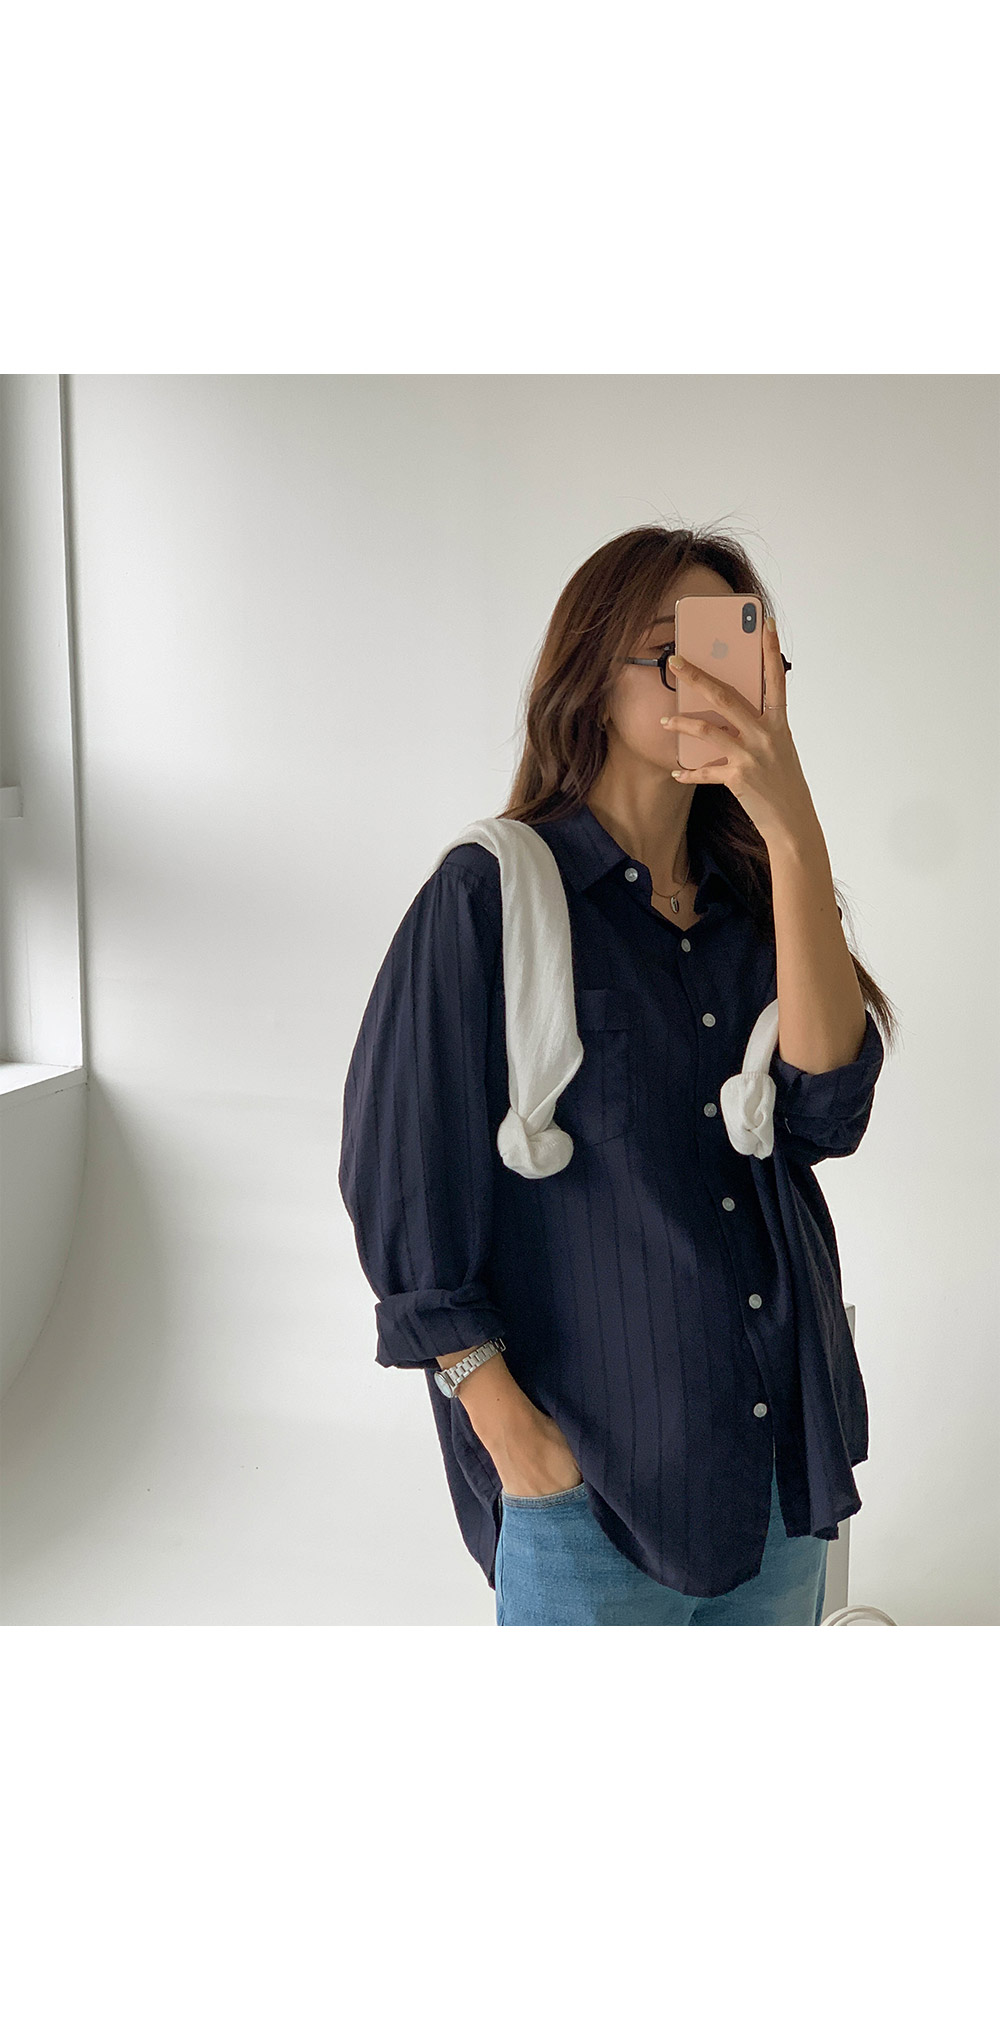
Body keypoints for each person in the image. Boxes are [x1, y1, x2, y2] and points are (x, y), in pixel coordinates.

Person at [338, 524, 897, 1625]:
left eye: (737, 651)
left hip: (777, 1468)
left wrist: (793, 832)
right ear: (592, 675)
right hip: (588, 1488)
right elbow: (403, 1194)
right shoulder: (487, 895)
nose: (712, 683)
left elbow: (825, 1112)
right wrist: (518, 1442)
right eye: (674, 650)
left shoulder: (760, 906)